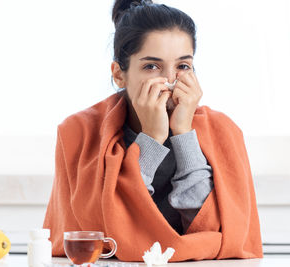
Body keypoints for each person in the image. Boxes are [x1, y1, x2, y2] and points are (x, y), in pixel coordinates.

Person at [43, 0, 263, 262]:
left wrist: (183, 133)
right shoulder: (78, 132)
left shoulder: (224, 131)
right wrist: (151, 139)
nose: (170, 81)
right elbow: (109, 238)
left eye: (182, 66)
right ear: (119, 75)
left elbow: (218, 232)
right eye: (152, 66)